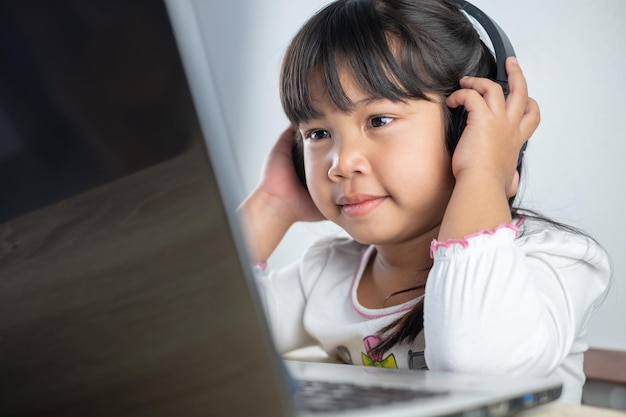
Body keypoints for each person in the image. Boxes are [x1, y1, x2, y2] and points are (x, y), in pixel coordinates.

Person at [237, 0, 611, 404]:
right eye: (316, 134)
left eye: (378, 120)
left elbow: (478, 368)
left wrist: (482, 175)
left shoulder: (555, 259)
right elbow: (201, 338)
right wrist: (272, 205)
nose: (340, 164)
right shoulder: (327, 274)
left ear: (464, 127)